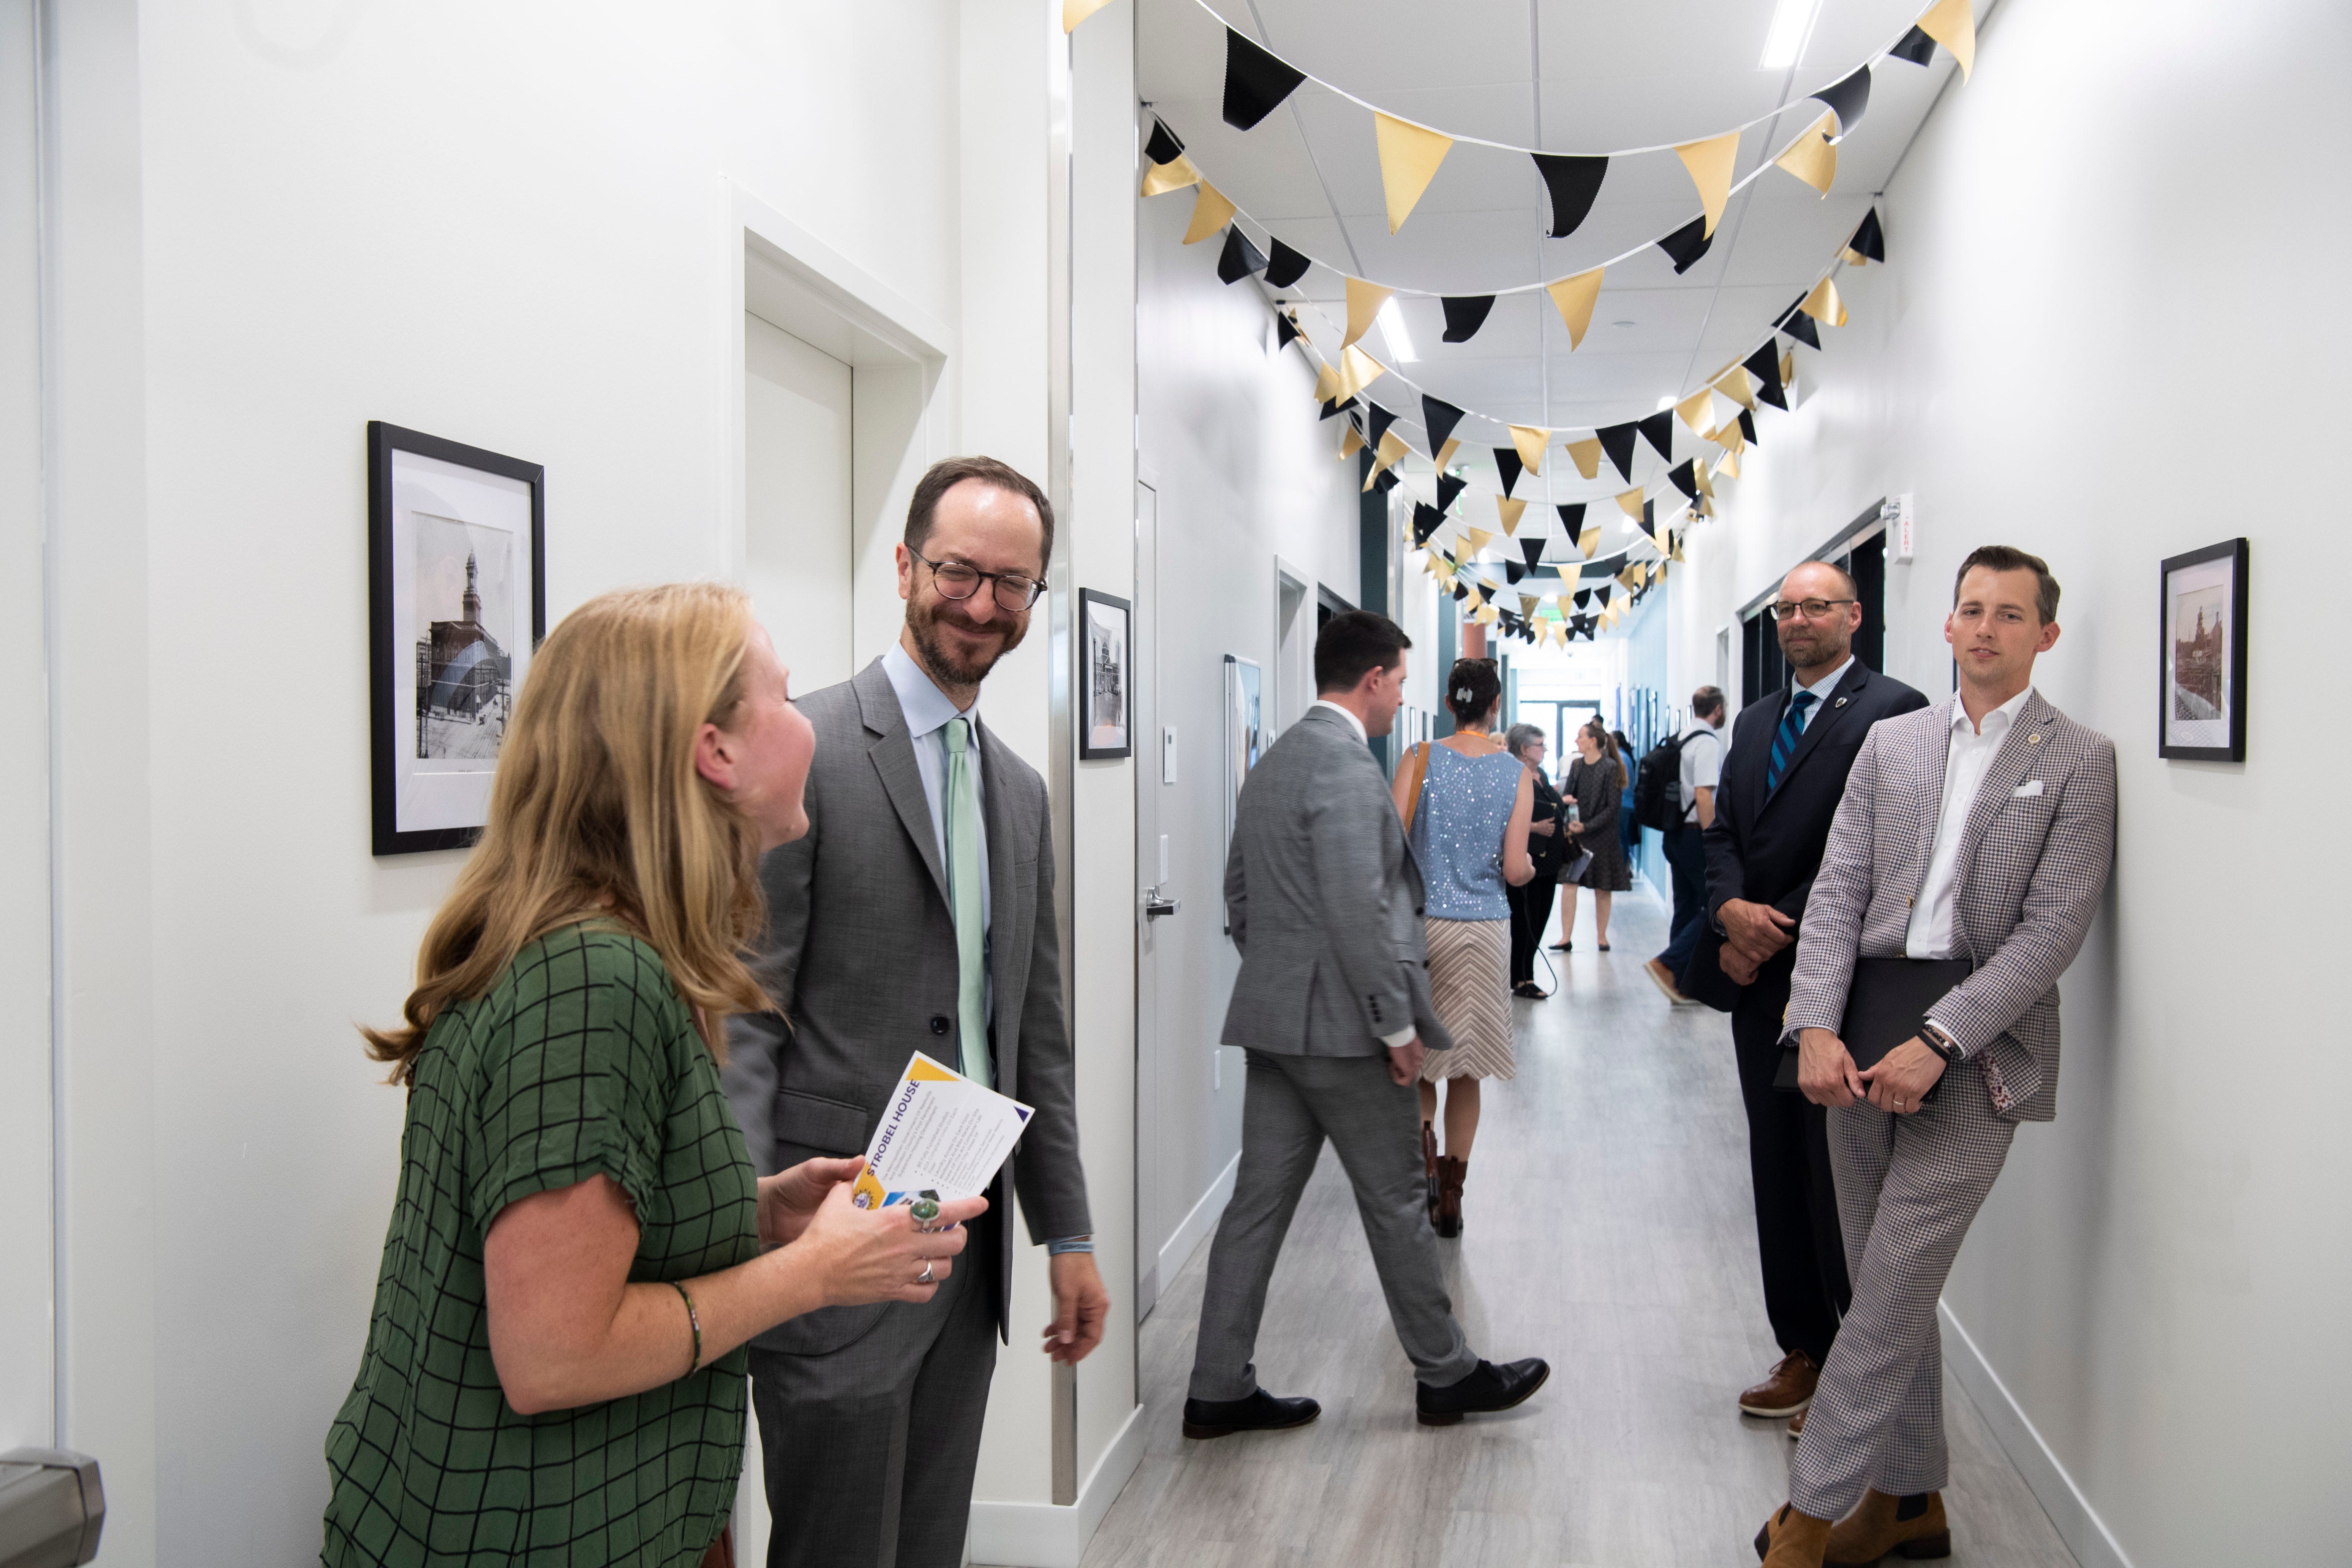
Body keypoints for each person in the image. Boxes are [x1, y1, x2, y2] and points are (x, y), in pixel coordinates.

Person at [323, 584, 986, 1568]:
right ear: (714, 751)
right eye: (783, 696)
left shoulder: (600, 948)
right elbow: (552, 1355)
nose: (806, 723)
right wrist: (813, 1272)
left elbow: (588, 1220)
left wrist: (759, 1211)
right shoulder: (594, 979)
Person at [722, 457, 1104, 1568]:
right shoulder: (810, 748)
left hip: (964, 1250)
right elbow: (747, 1014)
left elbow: (1039, 1039)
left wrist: (1067, 1234)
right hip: (835, 1244)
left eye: (1013, 585)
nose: (983, 605)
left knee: (929, 1545)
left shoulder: (1021, 793)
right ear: (904, 567)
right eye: (959, 571)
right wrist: (745, 1221)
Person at [1755, 547, 2115, 1567]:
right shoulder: (1891, 744)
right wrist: (1813, 1024)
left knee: (1889, 1287)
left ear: (2045, 634)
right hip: (1855, 1048)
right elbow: (1834, 894)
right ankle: (1910, 1505)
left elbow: (2051, 933)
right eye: (1970, 609)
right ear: (1946, 626)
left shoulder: (2079, 759)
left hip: (1976, 1059)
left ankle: (1807, 1518)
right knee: (1883, 1285)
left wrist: (1939, 1040)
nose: (1986, 628)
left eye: (2010, 613)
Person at [1183, 611, 1549, 1439]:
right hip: (1347, 1032)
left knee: (1253, 1209)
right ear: (1375, 678)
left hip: (1278, 1025)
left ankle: (1216, 1385)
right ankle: (1448, 1373)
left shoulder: (1274, 760)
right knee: (1395, 1201)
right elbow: (1357, 907)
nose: (1401, 701)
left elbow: (1240, 894)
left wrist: (1284, 976)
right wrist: (1394, 1026)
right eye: (1400, 683)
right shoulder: (1347, 768)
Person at [1685, 561, 1928, 1436]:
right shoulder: (1754, 723)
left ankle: (1857, 1375)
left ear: (1855, 617)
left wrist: (1775, 924)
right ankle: (1804, 1347)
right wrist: (1727, 909)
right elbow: (1721, 838)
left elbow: (1883, 851)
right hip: (1758, 987)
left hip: (1843, 991)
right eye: (1787, 607)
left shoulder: (1896, 713)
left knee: (1842, 1179)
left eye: (1816, 606)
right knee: (1777, 1169)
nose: (1798, 619)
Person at [1391, 660, 1535, 1235]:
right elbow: (1520, 867)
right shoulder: (1516, 772)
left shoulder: (1418, 757)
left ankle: (1424, 1167)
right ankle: (1453, 1191)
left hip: (1423, 925)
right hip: (1485, 931)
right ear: (1495, 707)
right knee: (1468, 1071)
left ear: (1450, 704)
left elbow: (1392, 842)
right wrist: (1508, 869)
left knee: (1424, 1063)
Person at [1644, 686, 1726, 1005]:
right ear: (1717, 710)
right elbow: (1705, 795)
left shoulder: (1679, 737)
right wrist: (1715, 842)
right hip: (1695, 835)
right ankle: (1668, 964)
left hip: (1674, 835)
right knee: (1716, 909)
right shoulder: (1706, 743)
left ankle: (1680, 982)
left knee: (1686, 906)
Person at [1501, 722, 1568, 999]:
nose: (1545, 750)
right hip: (1526, 860)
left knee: (1539, 921)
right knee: (1524, 922)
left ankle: (1527, 975)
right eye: (1540, 745)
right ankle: (1521, 979)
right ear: (1525, 749)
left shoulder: (1540, 775)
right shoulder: (1512, 776)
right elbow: (1503, 820)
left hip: (1550, 863)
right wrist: (1534, 827)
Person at [1553, 718, 1628, 951]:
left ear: (1593, 741)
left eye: (1581, 736)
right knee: (1569, 883)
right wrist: (1572, 818)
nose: (1577, 741)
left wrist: (1588, 826)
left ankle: (1602, 937)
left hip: (1602, 835)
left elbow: (1612, 808)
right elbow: (1569, 796)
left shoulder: (1611, 767)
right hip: (1577, 833)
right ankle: (1566, 937)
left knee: (1602, 887)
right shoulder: (1576, 766)